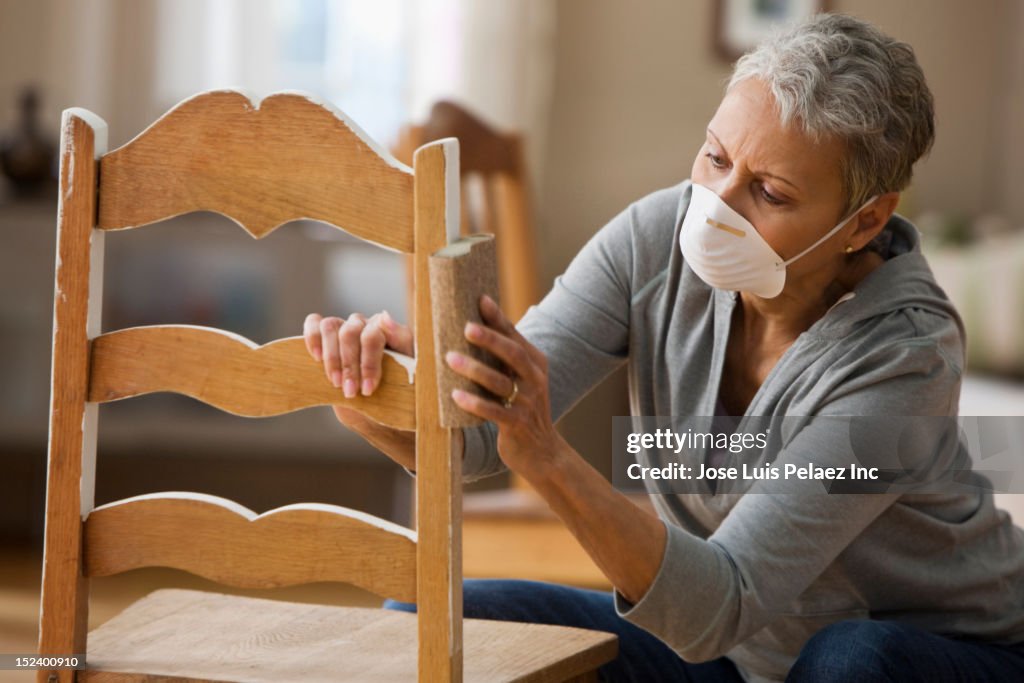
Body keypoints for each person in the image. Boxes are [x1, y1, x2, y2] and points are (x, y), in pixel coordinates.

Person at [302, 13, 1024, 683]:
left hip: (940, 649)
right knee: (424, 622)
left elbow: (722, 601)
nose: (716, 204)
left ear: (865, 221)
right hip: (738, 650)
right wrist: (376, 383)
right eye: (714, 157)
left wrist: (549, 454)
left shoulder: (906, 355)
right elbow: (480, 441)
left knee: (847, 660)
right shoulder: (654, 239)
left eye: (769, 192)